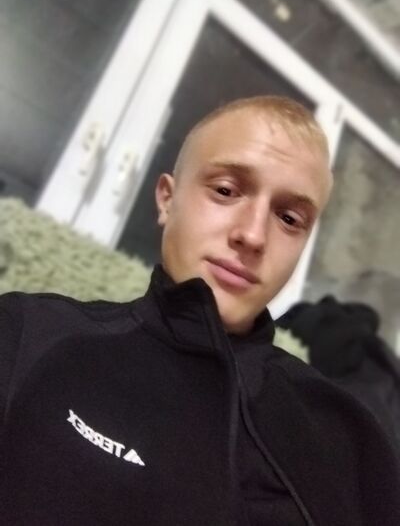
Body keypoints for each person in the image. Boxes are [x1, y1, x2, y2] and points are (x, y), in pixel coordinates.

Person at [0, 96, 399, 525]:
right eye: (226, 191)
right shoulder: (28, 334)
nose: (253, 235)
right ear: (167, 199)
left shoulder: (343, 434)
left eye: (288, 218)